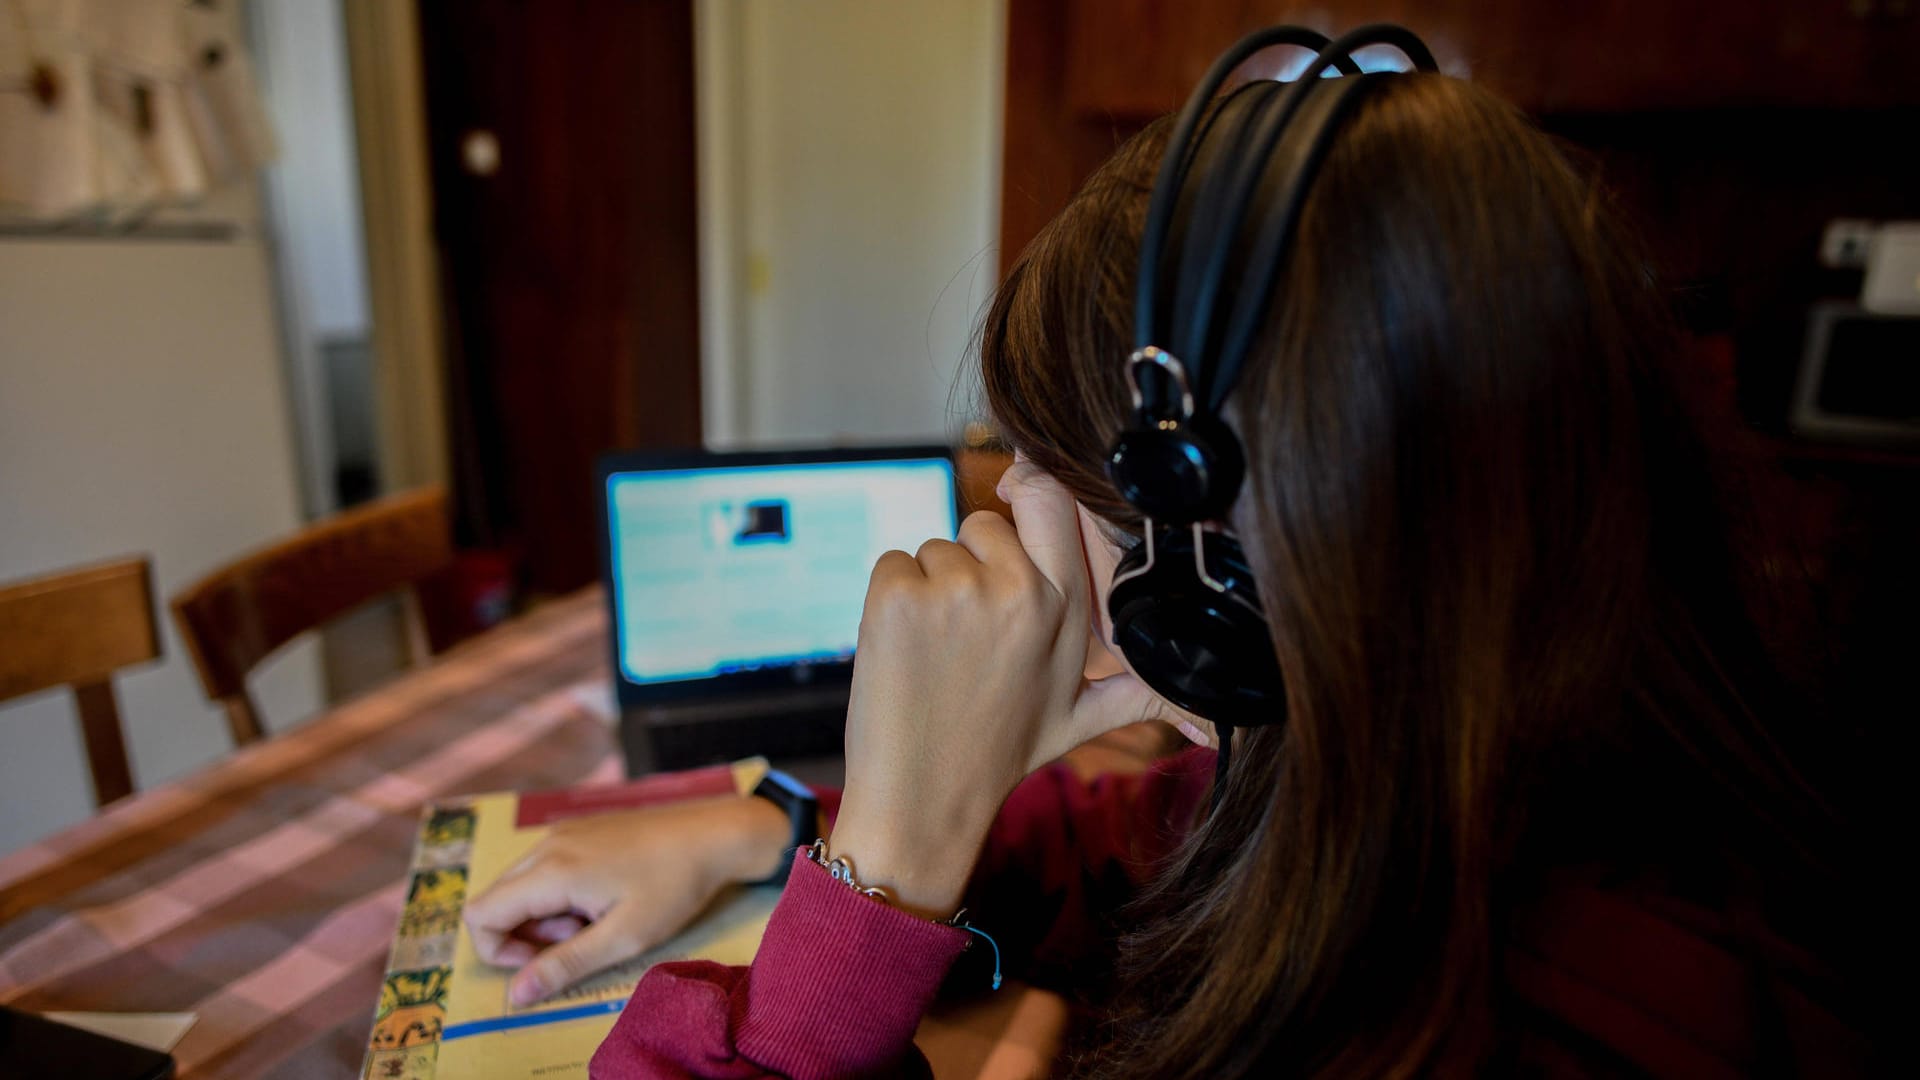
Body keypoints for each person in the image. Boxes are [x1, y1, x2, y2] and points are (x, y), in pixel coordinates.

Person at [465, 32, 1875, 1079]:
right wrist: (779, 827)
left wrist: (888, 857)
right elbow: (1149, 835)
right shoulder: (1444, 759)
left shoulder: (1552, 1023)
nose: (1011, 506)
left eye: (1056, 469)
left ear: (1229, 585)